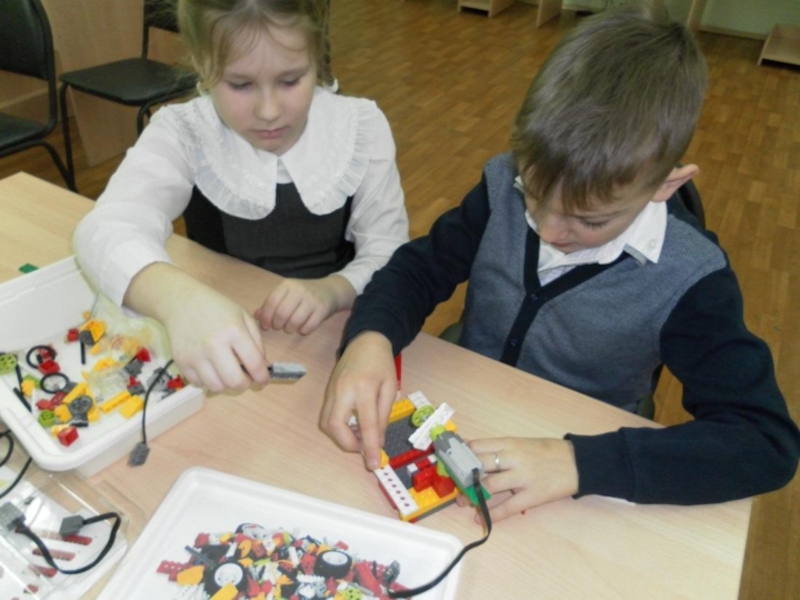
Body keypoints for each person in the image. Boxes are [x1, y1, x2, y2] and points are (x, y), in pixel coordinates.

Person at [319, 3, 799, 521]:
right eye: (531, 193)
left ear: (666, 185)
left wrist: (579, 462)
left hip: (581, 457)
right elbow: (417, 270)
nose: (547, 230)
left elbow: (764, 443)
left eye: (589, 220)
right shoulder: (501, 185)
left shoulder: (691, 278)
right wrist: (371, 337)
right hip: (475, 402)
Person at [73, 0, 408, 393]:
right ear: (202, 64)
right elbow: (104, 229)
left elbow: (389, 253)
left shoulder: (361, 127)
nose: (269, 111)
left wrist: (334, 290)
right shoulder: (184, 132)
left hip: (332, 341)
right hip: (217, 343)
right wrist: (178, 301)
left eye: (290, 80)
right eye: (240, 85)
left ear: (316, 56)